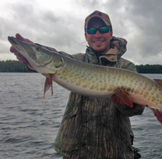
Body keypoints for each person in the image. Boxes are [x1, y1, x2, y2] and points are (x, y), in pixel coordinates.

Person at [10, 10, 144, 159]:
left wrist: (126, 103)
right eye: (91, 30)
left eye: (103, 29)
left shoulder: (126, 68)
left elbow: (135, 110)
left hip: (114, 151)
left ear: (111, 33)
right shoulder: (74, 62)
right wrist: (32, 52)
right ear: (86, 36)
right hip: (76, 152)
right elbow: (54, 57)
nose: (97, 34)